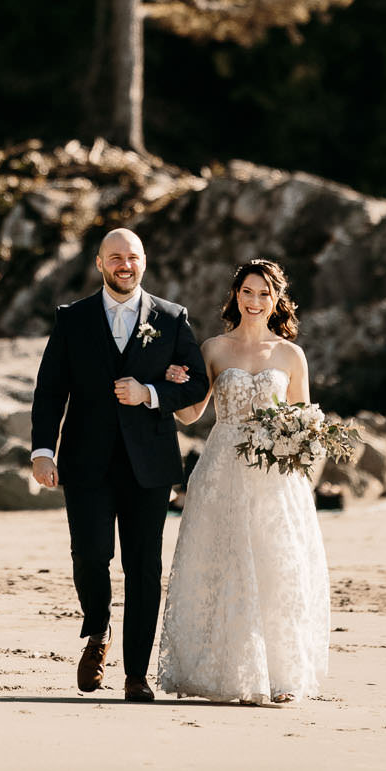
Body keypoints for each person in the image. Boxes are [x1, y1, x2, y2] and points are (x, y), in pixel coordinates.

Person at [27, 228, 210, 703]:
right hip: (85, 462)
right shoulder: (73, 319)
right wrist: (42, 451)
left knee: (144, 567)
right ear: (99, 263)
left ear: (144, 262)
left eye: (132, 257)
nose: (124, 265)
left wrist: (150, 394)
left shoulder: (171, 319)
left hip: (148, 463)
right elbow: (50, 390)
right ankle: (99, 626)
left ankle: (136, 675)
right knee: (90, 556)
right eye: (115, 258)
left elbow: (196, 386)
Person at [153, 258, 331, 705]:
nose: (255, 301)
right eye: (247, 292)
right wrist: (171, 384)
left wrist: (299, 449)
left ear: (277, 300)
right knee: (221, 563)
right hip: (221, 470)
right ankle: (222, 671)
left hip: (274, 477)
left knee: (276, 566)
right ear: (235, 296)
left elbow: (303, 420)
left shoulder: (291, 355)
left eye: (264, 294)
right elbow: (193, 414)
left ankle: (281, 675)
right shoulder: (213, 349)